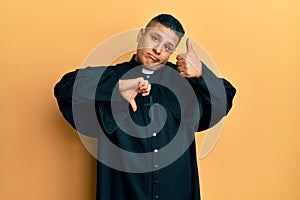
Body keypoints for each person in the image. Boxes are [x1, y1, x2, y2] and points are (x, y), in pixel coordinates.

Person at [54, 14, 236, 200]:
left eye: (167, 47)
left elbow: (224, 99)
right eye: (155, 38)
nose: (158, 49)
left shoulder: (185, 83)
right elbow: (64, 88)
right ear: (141, 35)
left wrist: (201, 73)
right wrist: (117, 88)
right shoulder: (113, 75)